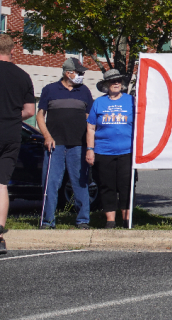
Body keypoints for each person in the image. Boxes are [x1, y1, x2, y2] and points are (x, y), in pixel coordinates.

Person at [37, 57, 93, 229]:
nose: (81, 75)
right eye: (79, 72)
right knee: (51, 183)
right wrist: (47, 136)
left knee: (80, 182)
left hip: (78, 145)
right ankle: (48, 221)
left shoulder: (84, 91)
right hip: (55, 145)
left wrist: (91, 144)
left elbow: (89, 119)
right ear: (69, 73)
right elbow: (40, 116)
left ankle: (83, 220)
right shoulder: (50, 90)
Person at [0, 34, 36, 254]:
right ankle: (0, 236)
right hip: (10, 134)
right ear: (12, 51)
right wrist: (12, 118)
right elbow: (30, 111)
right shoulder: (23, 76)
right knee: (1, 184)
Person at [86, 69, 133, 229]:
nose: (116, 83)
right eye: (113, 81)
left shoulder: (131, 101)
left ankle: (127, 221)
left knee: (126, 186)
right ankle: (110, 221)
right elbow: (91, 128)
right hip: (103, 152)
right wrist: (90, 149)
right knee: (107, 186)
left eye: (118, 80)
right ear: (106, 84)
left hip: (127, 152)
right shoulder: (99, 102)